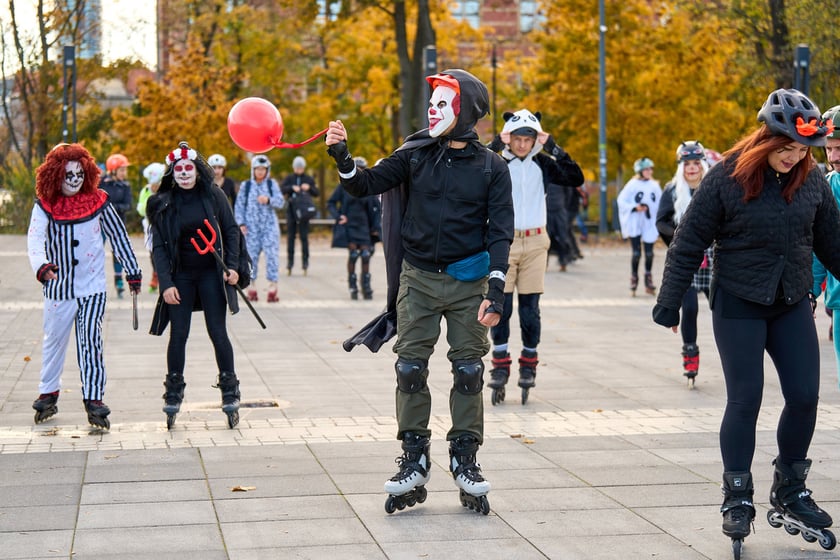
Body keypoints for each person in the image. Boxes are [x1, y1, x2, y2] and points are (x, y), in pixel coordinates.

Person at [652, 89, 838, 551]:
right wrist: (670, 301)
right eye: (787, 148)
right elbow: (688, 241)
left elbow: (833, 245)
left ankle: (790, 488)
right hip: (738, 302)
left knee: (805, 396)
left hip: (791, 299)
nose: (795, 158)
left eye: (803, 150)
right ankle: (736, 496)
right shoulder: (727, 177)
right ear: (766, 139)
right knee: (745, 398)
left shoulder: (812, 181)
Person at [325, 68, 513, 514]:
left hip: (469, 282)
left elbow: (501, 231)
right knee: (409, 367)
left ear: (464, 110)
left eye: (442, 102)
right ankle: (414, 458)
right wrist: (342, 155)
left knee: (469, 370)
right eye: (431, 103)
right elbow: (364, 184)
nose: (432, 110)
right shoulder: (415, 155)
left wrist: (496, 289)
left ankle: (465, 458)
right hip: (419, 279)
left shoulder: (493, 167)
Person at [27, 143, 142, 429]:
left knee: (90, 341)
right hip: (58, 288)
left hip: (92, 287)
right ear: (56, 175)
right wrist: (42, 266)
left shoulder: (98, 201)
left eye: (79, 174)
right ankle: (48, 393)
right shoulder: (45, 205)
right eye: (69, 175)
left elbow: (118, 236)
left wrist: (132, 270)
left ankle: (94, 399)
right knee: (54, 340)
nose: (75, 180)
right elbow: (35, 239)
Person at [485, 109, 583, 405]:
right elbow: (472, 168)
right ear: (509, 138)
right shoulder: (497, 163)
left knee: (530, 309)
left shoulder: (544, 164)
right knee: (500, 306)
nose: (522, 144)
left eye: (528, 139)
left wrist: (552, 146)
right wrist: (496, 144)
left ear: (535, 140)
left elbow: (575, 177)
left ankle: (528, 363)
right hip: (504, 242)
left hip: (536, 241)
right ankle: (500, 364)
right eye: (517, 138)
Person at [147, 141, 242, 429]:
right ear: (172, 173)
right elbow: (158, 247)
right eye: (179, 169)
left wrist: (233, 267)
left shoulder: (213, 195)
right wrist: (166, 283)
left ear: (198, 170)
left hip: (212, 274)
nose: (185, 173)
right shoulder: (163, 202)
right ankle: (173, 391)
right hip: (181, 278)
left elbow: (231, 230)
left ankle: (230, 390)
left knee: (218, 332)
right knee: (178, 334)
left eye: (189, 168)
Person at [654, 141, 711, 387]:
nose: (692, 168)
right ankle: (690, 354)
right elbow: (661, 221)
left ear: (702, 164)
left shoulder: (713, 185)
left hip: (714, 256)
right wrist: (679, 237)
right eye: (687, 164)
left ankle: (734, 349)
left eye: (696, 163)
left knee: (723, 306)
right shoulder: (672, 190)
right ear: (681, 166)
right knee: (689, 307)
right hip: (687, 256)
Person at [811, 104, 840, 386]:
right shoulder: (828, 186)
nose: (833, 157)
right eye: (829, 149)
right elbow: (820, 247)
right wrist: (809, 293)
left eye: (839, 148)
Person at [327, 156, 382, 300]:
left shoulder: (368, 185)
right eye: (357, 169)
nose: (360, 171)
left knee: (365, 255)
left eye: (362, 169)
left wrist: (375, 227)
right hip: (349, 226)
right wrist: (339, 216)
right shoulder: (344, 186)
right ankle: (352, 286)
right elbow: (331, 203)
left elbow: (376, 208)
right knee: (353, 255)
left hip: (364, 226)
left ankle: (366, 286)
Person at [234, 154, 284, 302]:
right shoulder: (246, 186)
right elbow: (239, 206)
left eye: (263, 169)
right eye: (258, 169)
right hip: (251, 229)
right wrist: (241, 223)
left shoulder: (271, 184)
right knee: (250, 258)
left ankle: (272, 287)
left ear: (267, 170)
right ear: (253, 170)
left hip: (269, 228)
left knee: (272, 257)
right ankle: (251, 287)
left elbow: (281, 202)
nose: (260, 172)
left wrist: (269, 200)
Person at [617, 157, 661, 295]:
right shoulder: (632, 185)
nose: (649, 171)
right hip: (635, 221)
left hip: (648, 222)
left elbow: (660, 202)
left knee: (649, 253)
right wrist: (635, 207)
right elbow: (621, 200)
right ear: (640, 171)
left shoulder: (654, 185)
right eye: (646, 169)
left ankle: (648, 280)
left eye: (650, 169)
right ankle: (634, 278)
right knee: (636, 253)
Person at [99, 153, 134, 298]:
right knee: (96, 250)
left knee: (118, 252)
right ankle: (95, 278)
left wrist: (111, 207)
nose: (124, 173)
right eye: (122, 170)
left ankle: (119, 280)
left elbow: (127, 205)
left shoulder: (125, 186)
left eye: (125, 170)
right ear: (113, 170)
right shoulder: (102, 183)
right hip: (101, 224)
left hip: (117, 224)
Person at [280, 156, 319, 275]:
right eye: (297, 168)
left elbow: (316, 193)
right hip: (291, 210)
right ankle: (290, 262)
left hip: (303, 212)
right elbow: (281, 189)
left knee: (304, 237)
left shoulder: (308, 179)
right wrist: (292, 188)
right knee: (291, 237)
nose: (299, 169)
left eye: (301, 168)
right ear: (294, 168)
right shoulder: (289, 178)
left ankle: (305, 262)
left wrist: (309, 188)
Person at [138, 162, 166, 293]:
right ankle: (156, 273)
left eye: (157, 183)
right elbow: (141, 208)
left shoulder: (165, 191)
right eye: (153, 184)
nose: (155, 186)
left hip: (164, 225)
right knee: (152, 251)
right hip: (150, 225)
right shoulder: (146, 191)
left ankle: (164, 275)